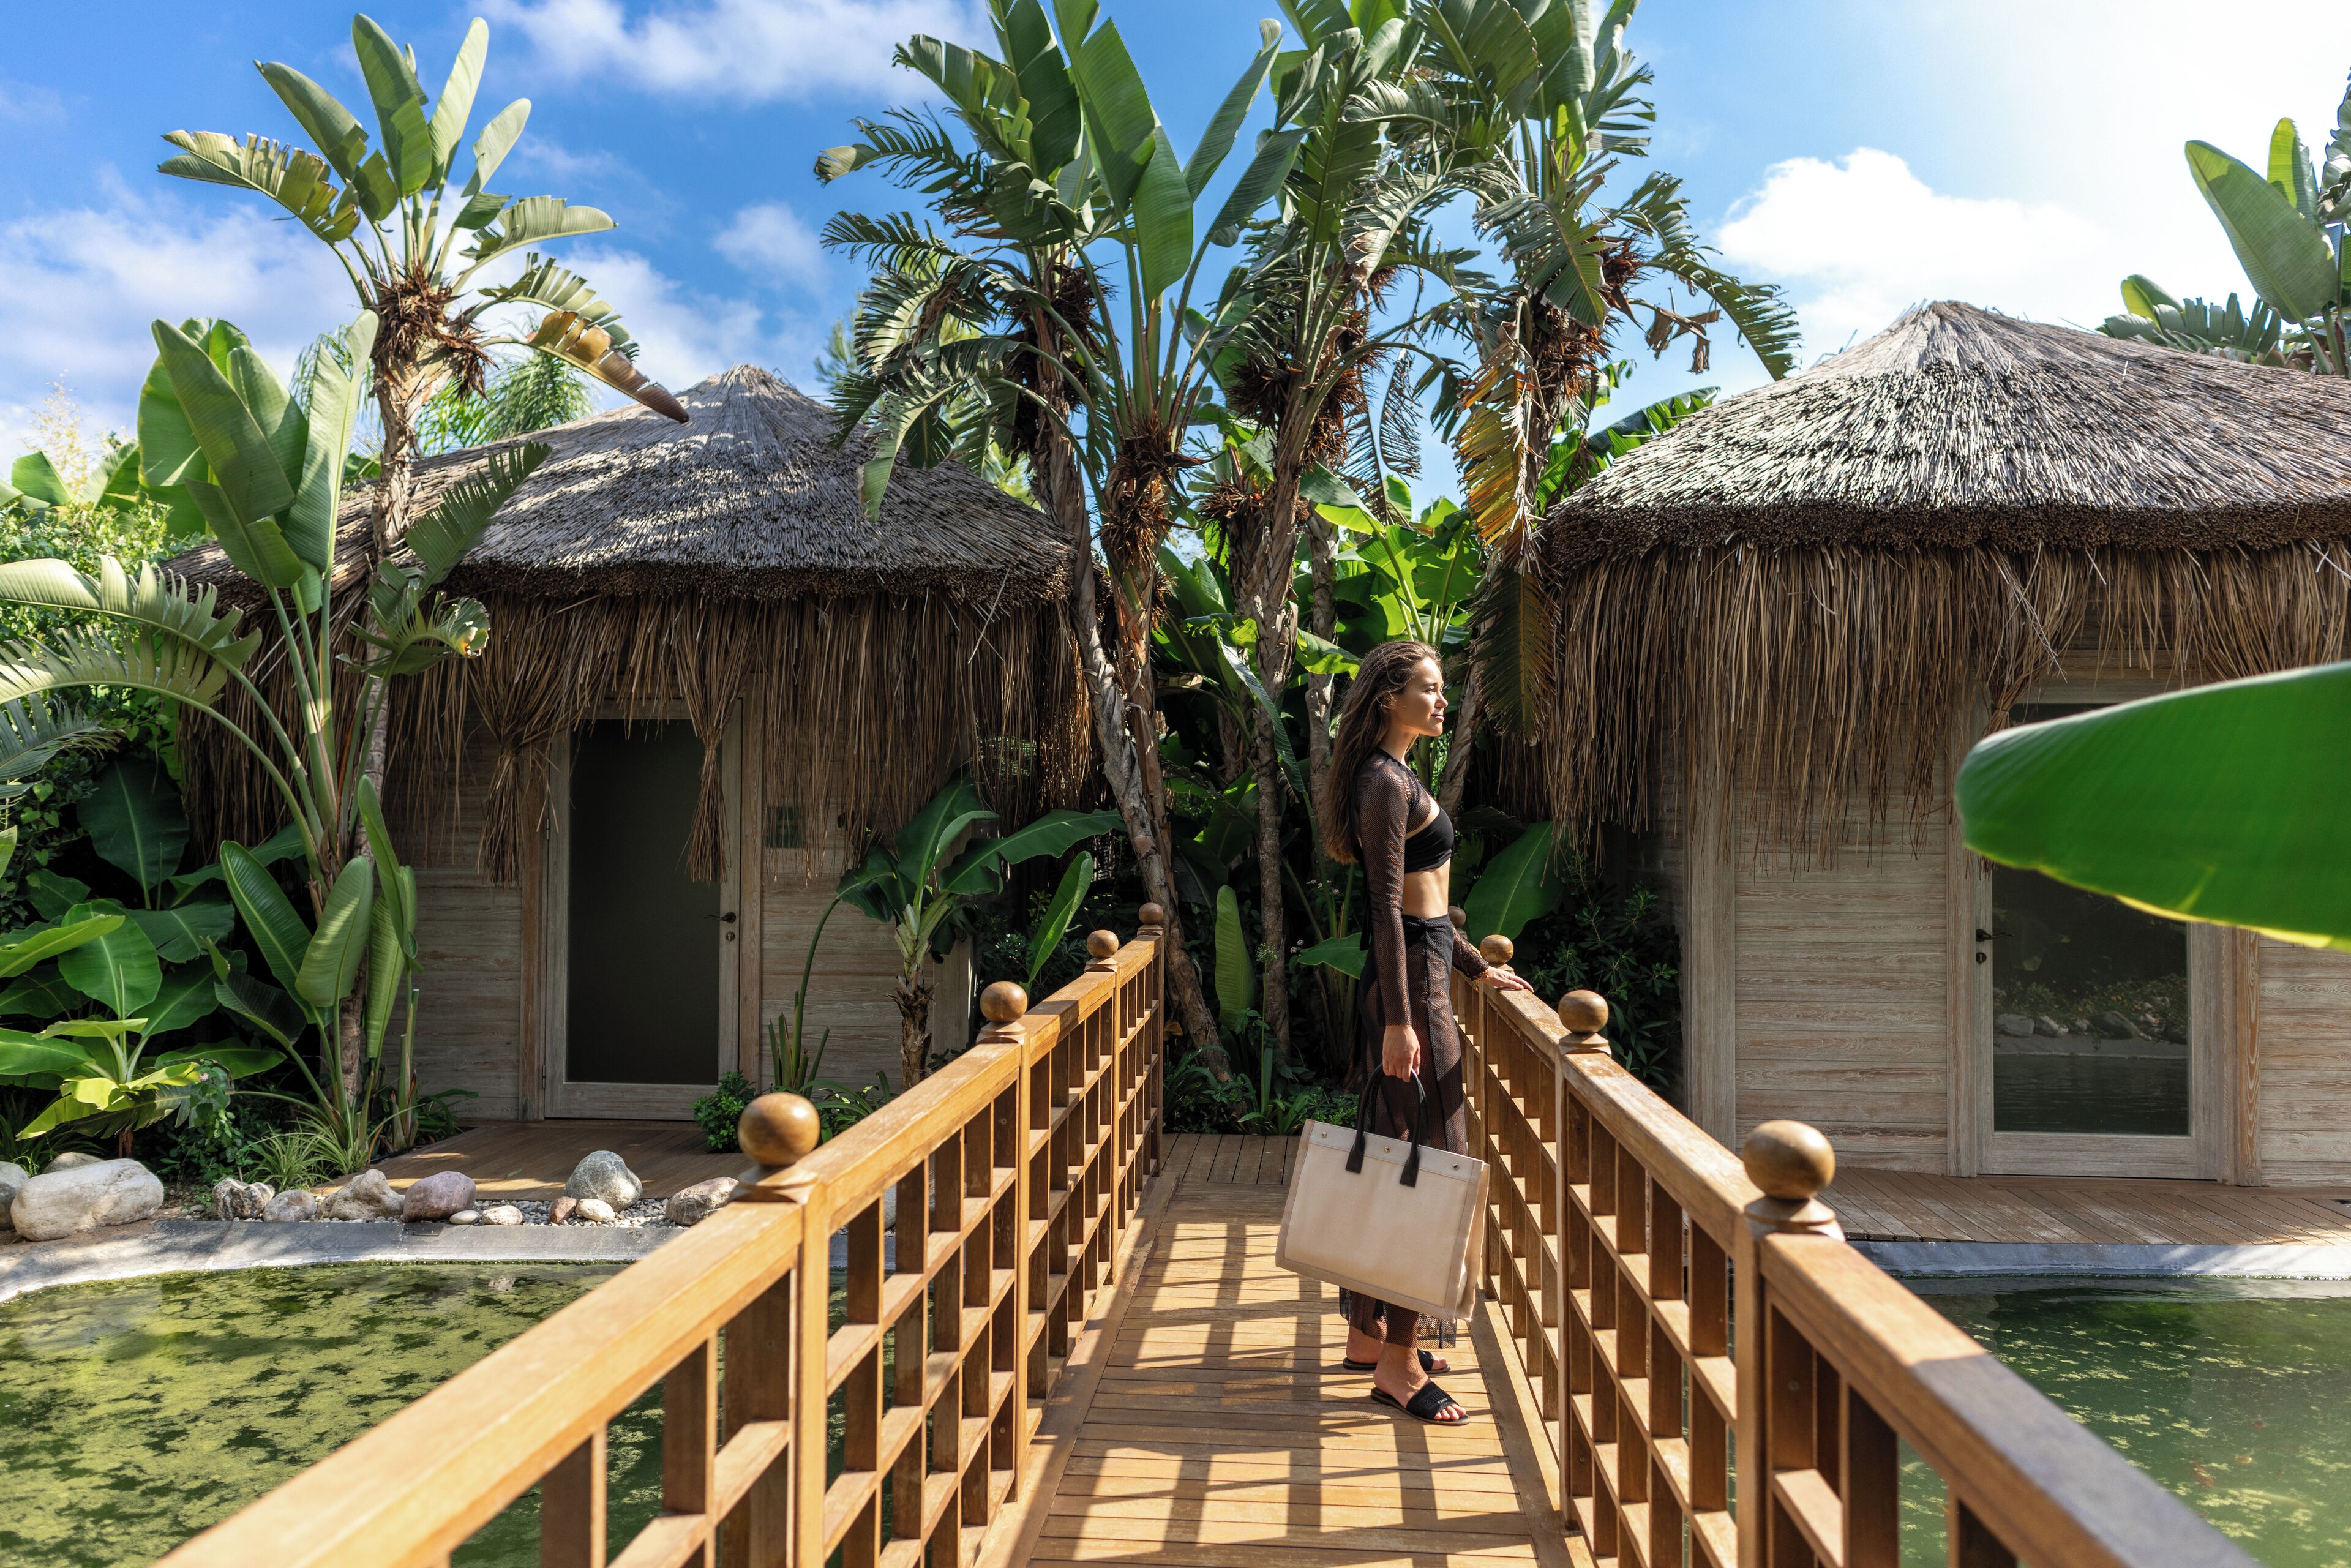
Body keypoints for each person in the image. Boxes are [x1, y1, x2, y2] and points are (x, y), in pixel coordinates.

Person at [1317, 639, 1535, 1425]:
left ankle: (1368, 1334)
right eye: (1431, 690)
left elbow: (1432, 903)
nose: (1442, 702)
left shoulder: (1403, 776)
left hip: (1428, 972)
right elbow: (1387, 911)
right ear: (1388, 699)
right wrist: (1404, 1021)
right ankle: (1402, 1366)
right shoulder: (1383, 783)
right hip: (1409, 989)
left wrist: (1476, 967)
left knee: (1392, 1154)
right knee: (1430, 1161)